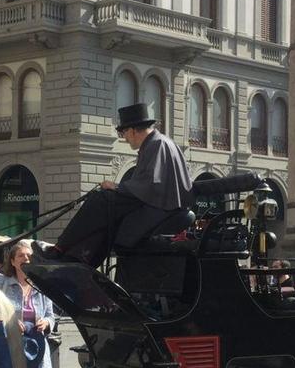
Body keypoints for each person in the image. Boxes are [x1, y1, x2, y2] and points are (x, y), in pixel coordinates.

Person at [46, 103, 191, 267]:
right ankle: (78, 259)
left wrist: (116, 187)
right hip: (159, 203)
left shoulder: (157, 144)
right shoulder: (160, 142)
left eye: (124, 132)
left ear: (133, 130)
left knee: (100, 200)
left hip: (157, 205)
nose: (124, 137)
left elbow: (150, 183)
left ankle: (61, 248)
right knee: (106, 213)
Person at [0, 241, 56, 368]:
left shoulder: (42, 285)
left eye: (29, 256)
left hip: (35, 353)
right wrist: (9, 322)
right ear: (13, 261)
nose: (26, 258)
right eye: (21, 255)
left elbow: (50, 315)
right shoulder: (0, 284)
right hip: (10, 353)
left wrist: (47, 322)